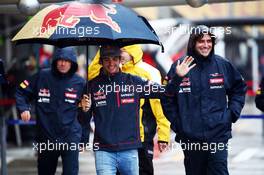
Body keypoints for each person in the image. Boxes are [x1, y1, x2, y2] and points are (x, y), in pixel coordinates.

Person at [87, 45, 194, 175]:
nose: (111, 63)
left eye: (114, 59)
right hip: (104, 150)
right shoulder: (92, 85)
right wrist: (84, 109)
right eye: (106, 59)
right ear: (101, 61)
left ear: (120, 59)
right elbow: (82, 118)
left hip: (130, 148)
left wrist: (177, 77)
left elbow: (165, 93)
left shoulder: (134, 82)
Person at [162, 25, 247, 175]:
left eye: (209, 41)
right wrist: (179, 124)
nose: (206, 45)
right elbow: (167, 98)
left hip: (218, 136)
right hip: (191, 139)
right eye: (201, 41)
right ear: (193, 43)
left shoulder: (222, 65)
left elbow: (239, 88)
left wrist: (231, 114)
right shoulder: (179, 66)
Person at [15, 47, 90, 175]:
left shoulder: (80, 83)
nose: (62, 63)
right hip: (46, 137)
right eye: (60, 60)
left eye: (66, 60)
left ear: (72, 62)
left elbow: (85, 114)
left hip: (70, 138)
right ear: (55, 60)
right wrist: (23, 108)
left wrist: (84, 140)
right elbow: (20, 91)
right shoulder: (42, 76)